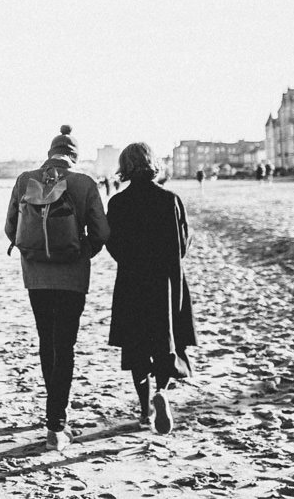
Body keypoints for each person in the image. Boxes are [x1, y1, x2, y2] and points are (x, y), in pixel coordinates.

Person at [4, 125, 110, 450]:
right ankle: (56, 426)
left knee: (46, 342)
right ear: (74, 157)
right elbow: (103, 233)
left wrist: (33, 252)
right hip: (72, 280)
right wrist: (82, 251)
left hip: (35, 278)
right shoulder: (85, 183)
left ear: (50, 152)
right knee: (64, 347)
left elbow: (11, 229)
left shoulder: (25, 180)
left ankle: (54, 416)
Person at [107, 143, 196, 434]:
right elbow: (181, 245)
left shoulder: (118, 203)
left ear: (125, 167)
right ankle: (162, 391)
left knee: (136, 347)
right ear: (152, 164)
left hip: (132, 283)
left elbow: (114, 246)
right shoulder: (170, 199)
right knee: (164, 341)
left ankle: (145, 411)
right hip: (166, 283)